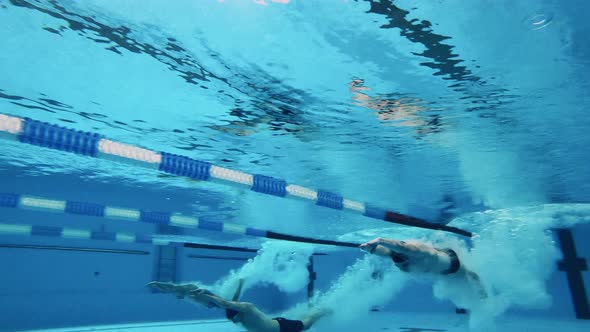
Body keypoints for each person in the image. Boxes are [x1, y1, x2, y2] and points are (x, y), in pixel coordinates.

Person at [147, 280, 330, 332]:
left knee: (306, 325)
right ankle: (170, 287)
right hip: (269, 326)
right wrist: (239, 286)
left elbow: (227, 303)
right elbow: (229, 303)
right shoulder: (236, 314)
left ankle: (322, 310)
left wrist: (208, 295)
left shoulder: (246, 308)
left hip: (279, 326)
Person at [360, 237, 487, 298]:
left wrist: (380, 240)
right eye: (399, 263)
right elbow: (388, 252)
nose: (400, 265)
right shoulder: (397, 256)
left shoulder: (416, 252)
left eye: (402, 262)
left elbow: (402, 247)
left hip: (451, 263)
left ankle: (483, 293)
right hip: (439, 265)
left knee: (467, 275)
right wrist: (369, 248)